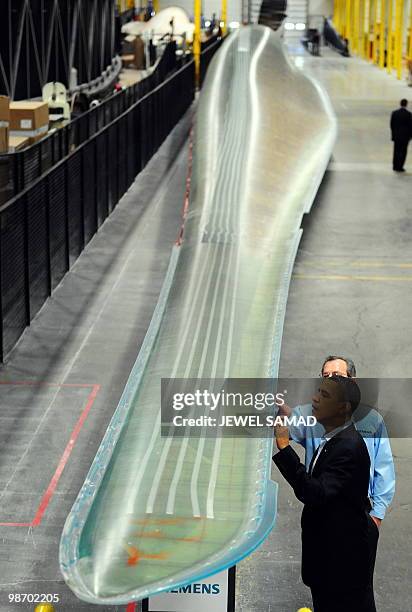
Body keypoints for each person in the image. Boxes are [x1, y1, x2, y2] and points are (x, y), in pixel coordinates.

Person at [274, 376, 377, 612]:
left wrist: (284, 447)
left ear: (344, 408)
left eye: (325, 395)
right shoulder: (332, 436)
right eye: (318, 391)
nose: (315, 398)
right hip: (328, 558)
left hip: (340, 564)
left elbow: (315, 493)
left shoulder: (347, 448)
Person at [390, 99, 412, 172]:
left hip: (397, 136)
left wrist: (394, 134)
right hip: (405, 137)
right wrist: (410, 136)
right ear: (406, 104)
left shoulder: (394, 113)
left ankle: (395, 166)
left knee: (396, 151)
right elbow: (410, 126)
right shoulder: (409, 114)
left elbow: (392, 125)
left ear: (400, 104)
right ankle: (400, 166)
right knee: (403, 151)